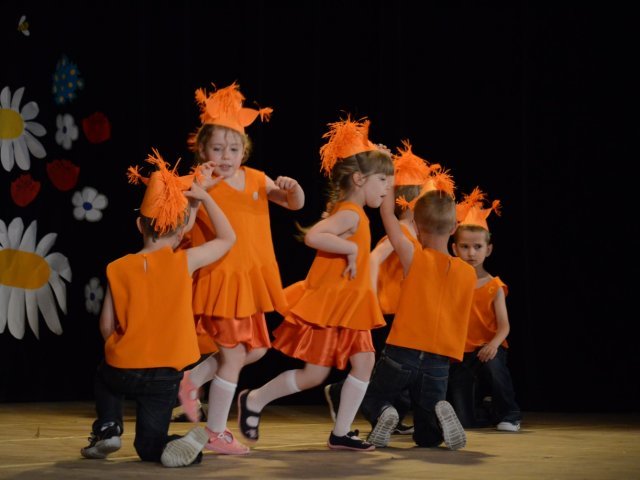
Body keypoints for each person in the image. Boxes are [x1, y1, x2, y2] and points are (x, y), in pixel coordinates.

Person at [236, 115, 394, 451]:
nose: (387, 187)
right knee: (314, 375)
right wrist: (351, 249)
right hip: (333, 306)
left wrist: (380, 159)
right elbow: (314, 236)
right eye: (382, 180)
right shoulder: (349, 213)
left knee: (364, 362)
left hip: (350, 306)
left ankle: (341, 432)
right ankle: (255, 399)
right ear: (359, 179)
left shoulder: (351, 209)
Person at [81, 150, 236, 467]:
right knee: (149, 446)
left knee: (104, 377)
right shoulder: (185, 261)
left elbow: (106, 326)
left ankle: (108, 427)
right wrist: (204, 197)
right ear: (182, 233)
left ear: (140, 224)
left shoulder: (117, 267)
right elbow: (228, 238)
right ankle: (177, 445)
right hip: (166, 375)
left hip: (124, 367)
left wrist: (121, 351)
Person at [177, 82, 305, 455]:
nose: (226, 156)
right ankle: (215, 432)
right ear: (202, 150)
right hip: (220, 278)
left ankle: (193, 379)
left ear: (244, 150)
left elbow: (293, 204)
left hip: (250, 279)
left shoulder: (256, 178)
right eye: (217, 148)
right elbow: (183, 228)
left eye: (233, 149)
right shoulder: (199, 184)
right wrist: (198, 194)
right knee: (234, 355)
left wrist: (293, 188)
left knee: (257, 350)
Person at [324, 140, 445, 439]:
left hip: (402, 309)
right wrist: (368, 295)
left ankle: (391, 413)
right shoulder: (401, 231)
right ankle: (341, 392)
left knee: (397, 368)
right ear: (413, 205)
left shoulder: (414, 234)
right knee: (387, 369)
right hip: (385, 308)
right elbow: (375, 258)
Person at [358, 174, 476, 450]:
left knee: (372, 398)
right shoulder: (469, 274)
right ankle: (437, 418)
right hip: (439, 359)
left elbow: (387, 216)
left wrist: (389, 179)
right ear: (454, 228)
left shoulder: (413, 256)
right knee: (426, 438)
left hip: (402, 351)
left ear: (417, 226)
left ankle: (384, 412)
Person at [448, 187, 522, 431]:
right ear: (454, 249)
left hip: (489, 348)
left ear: (488, 249)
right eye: (465, 247)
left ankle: (510, 414)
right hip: (462, 353)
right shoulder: (451, 284)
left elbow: (504, 326)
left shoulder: (494, 286)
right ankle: (487, 410)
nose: (471, 253)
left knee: (494, 367)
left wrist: (492, 345)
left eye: (478, 247)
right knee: (465, 422)